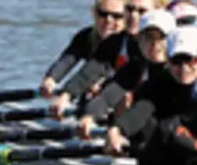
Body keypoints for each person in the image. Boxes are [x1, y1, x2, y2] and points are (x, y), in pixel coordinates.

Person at [49, 0, 169, 117]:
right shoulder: (115, 42)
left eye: (141, 11)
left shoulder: (170, 48)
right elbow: (90, 73)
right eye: (129, 9)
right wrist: (66, 96)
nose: (133, 15)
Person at [105, 25, 197, 155]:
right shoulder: (160, 82)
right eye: (176, 60)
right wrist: (116, 130)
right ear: (168, 59)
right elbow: (142, 109)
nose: (184, 68)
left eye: (191, 60)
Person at [75, 9, 176, 139]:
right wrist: (89, 117)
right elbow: (106, 98)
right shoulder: (136, 66)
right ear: (139, 40)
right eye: (149, 37)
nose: (155, 45)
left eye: (162, 38)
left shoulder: (179, 71)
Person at [40, 0, 126, 98]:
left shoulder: (130, 42)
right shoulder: (86, 36)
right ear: (94, 14)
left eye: (117, 16)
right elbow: (68, 59)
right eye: (103, 14)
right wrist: (51, 79)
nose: (109, 20)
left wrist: (104, 83)